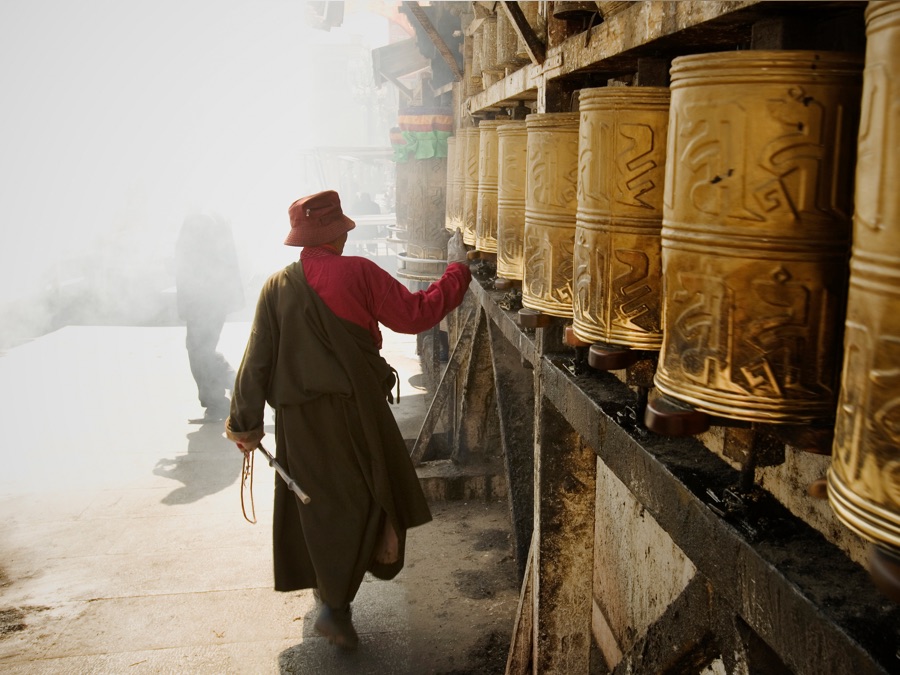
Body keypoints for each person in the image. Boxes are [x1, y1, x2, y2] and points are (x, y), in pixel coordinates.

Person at [224, 190, 471, 650]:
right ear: (338, 233)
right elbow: (417, 314)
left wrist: (245, 425)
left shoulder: (276, 286)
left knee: (318, 505)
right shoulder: (358, 272)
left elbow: (256, 359)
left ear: (302, 239)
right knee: (370, 498)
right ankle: (335, 609)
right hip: (355, 413)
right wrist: (458, 271)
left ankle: (332, 598)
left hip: (298, 422)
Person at [175, 212, 243, 422]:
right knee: (201, 350)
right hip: (207, 299)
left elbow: (201, 261)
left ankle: (228, 394)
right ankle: (228, 393)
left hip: (205, 300)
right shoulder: (210, 215)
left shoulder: (204, 217)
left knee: (199, 351)